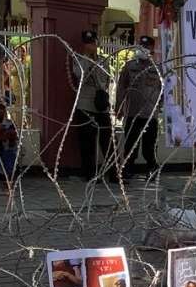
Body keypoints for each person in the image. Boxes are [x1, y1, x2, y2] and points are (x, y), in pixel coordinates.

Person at [69, 30, 113, 180]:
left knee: (107, 140)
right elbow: (80, 75)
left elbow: (107, 80)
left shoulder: (103, 60)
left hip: (100, 104)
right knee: (87, 142)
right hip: (85, 105)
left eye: (93, 43)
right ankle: (90, 174)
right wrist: (88, 59)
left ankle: (114, 173)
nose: (92, 46)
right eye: (89, 43)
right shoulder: (79, 59)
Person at [116, 36, 162, 176]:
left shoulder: (157, 68)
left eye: (147, 47)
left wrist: (160, 106)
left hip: (150, 114)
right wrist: (119, 108)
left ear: (152, 49)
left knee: (149, 146)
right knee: (130, 145)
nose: (143, 49)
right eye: (141, 46)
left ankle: (152, 169)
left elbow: (163, 89)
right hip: (133, 112)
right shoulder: (130, 66)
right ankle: (128, 169)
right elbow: (121, 88)